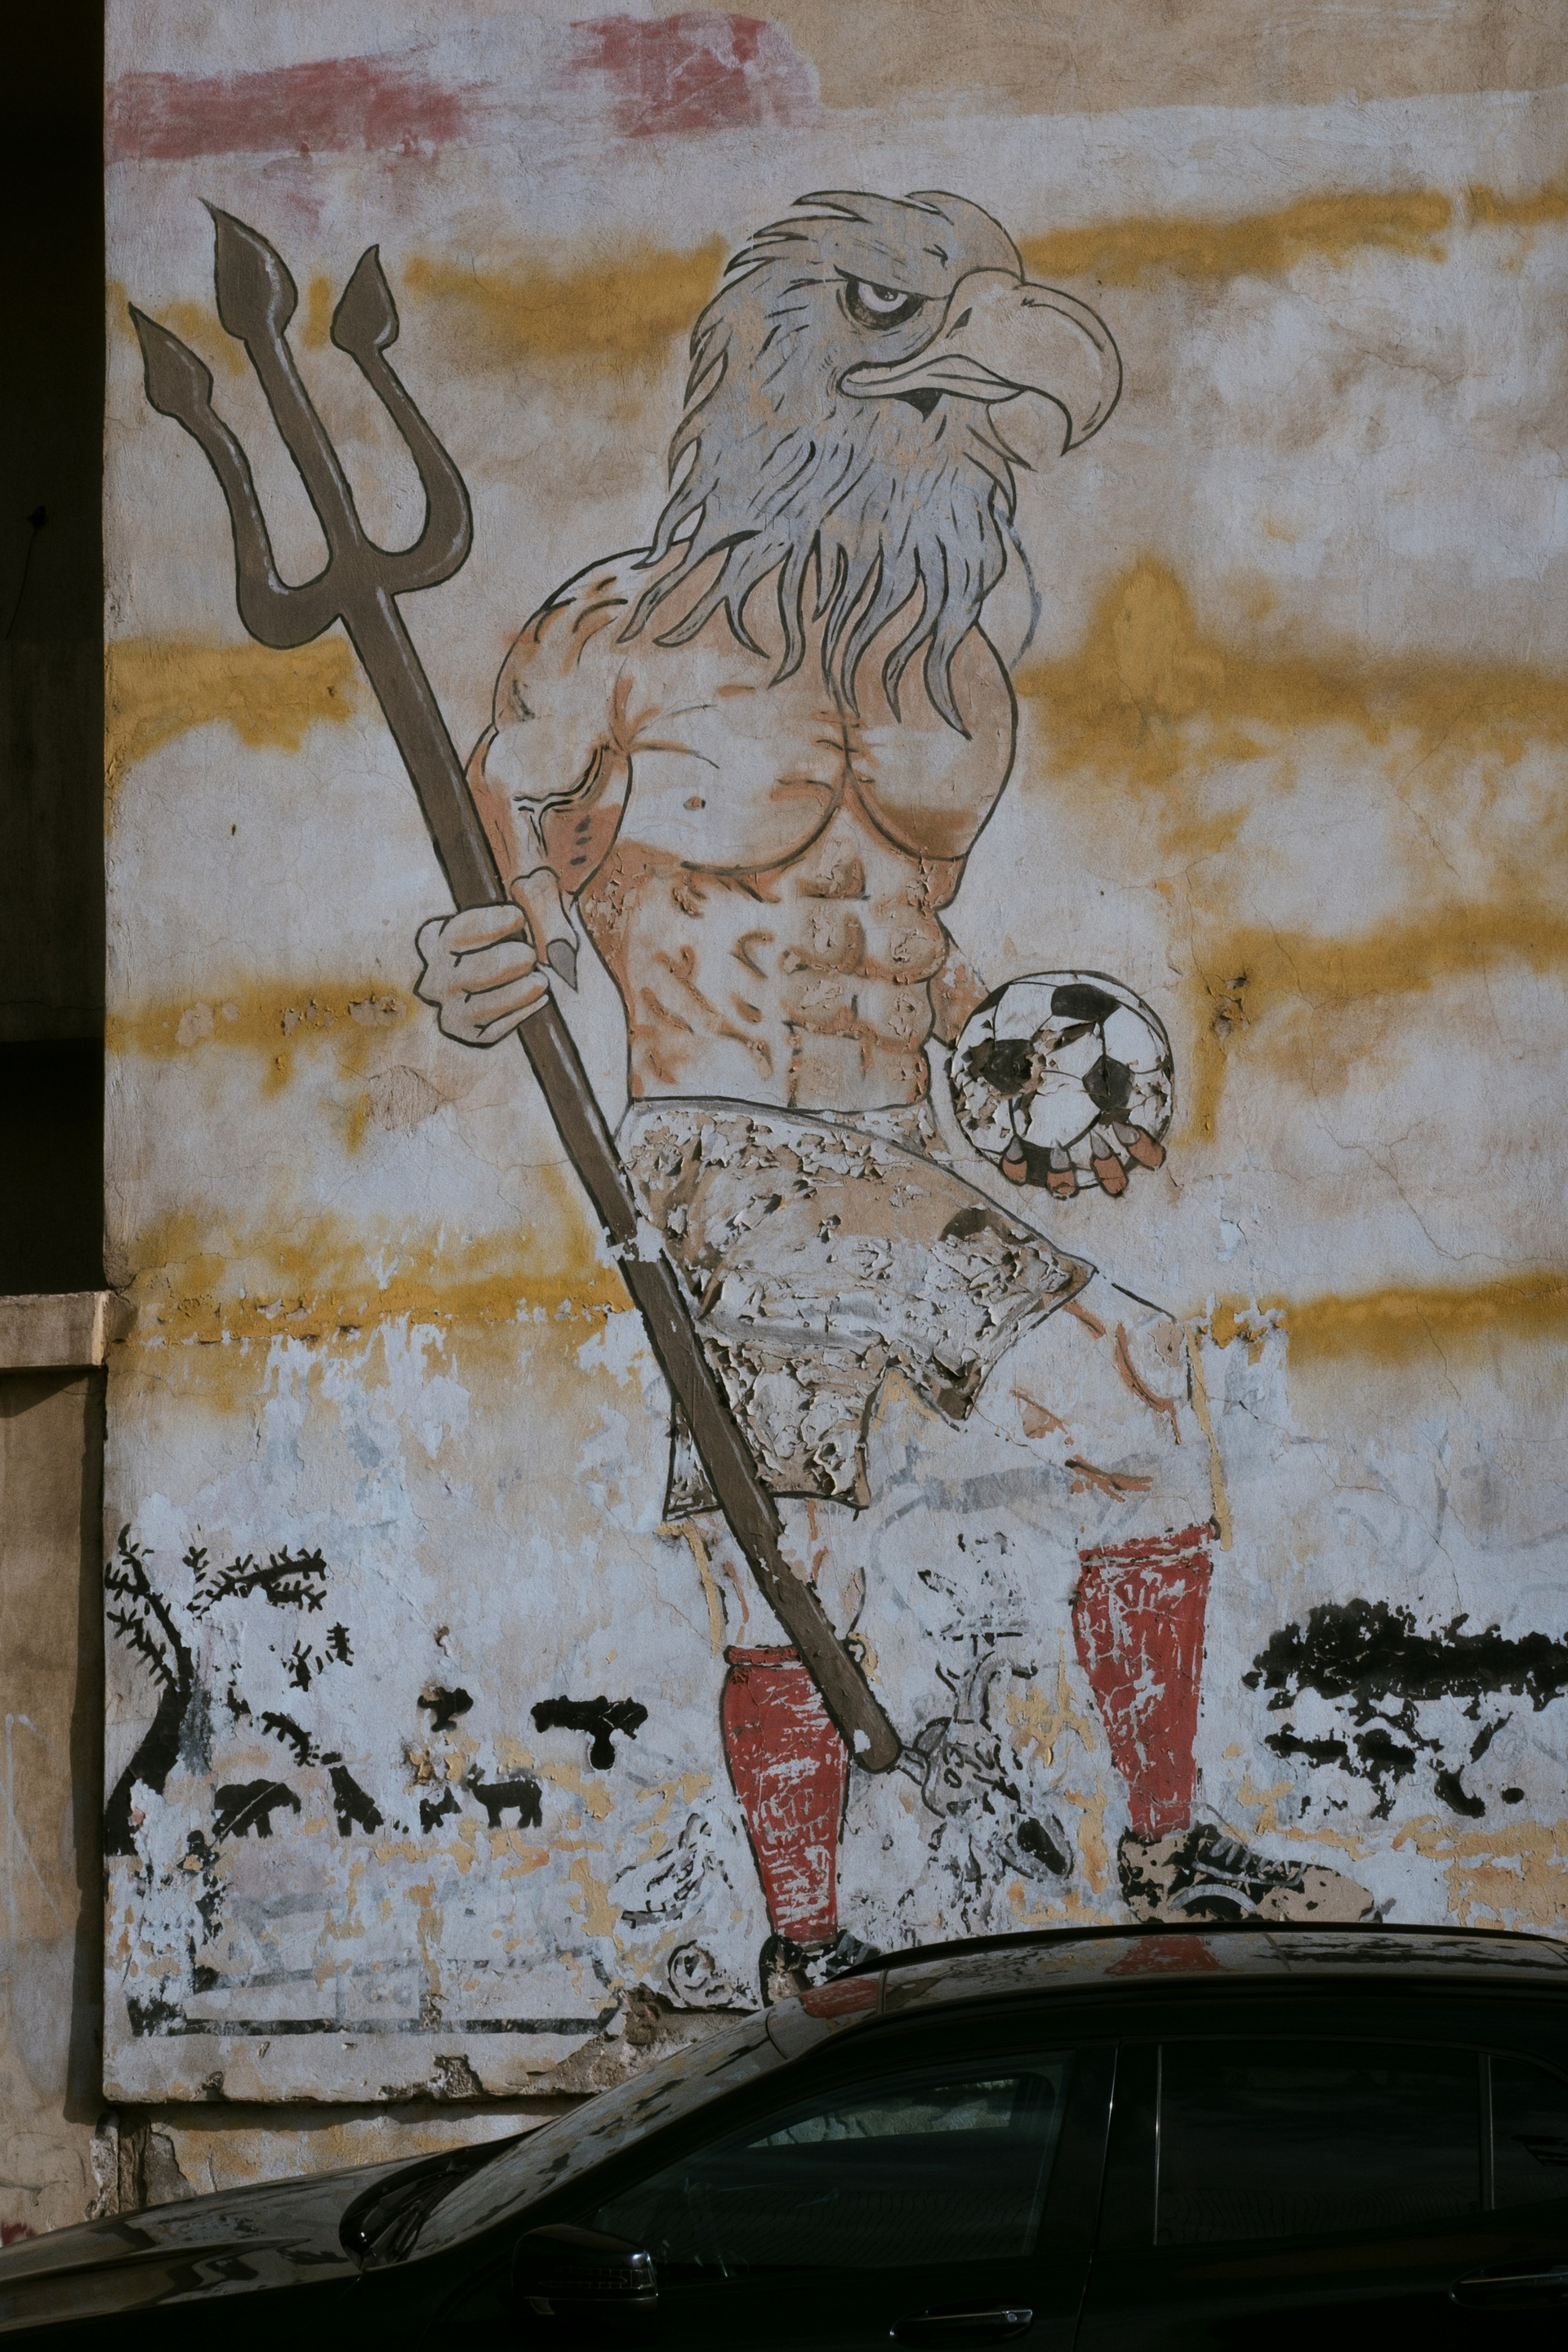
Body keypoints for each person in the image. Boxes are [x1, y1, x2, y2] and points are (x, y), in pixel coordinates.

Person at [413, 191, 1372, 1987]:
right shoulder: (617, 634)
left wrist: (1022, 1077)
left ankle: (827, 1944)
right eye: (900, 317)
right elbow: (510, 844)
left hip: (896, 1154)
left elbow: (913, 946)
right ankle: (1138, 1855)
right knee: (1113, 1392)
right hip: (720, 1157)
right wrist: (498, 953)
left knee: (808, 1554)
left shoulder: (957, 681)